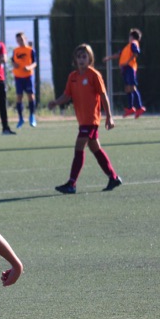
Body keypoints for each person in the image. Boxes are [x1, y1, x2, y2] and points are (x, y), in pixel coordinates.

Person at [48, 43, 122, 195]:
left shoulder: (94, 75)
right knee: (95, 148)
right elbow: (67, 95)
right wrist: (56, 102)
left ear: (90, 59)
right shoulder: (73, 77)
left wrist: (109, 117)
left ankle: (72, 183)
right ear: (75, 59)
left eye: (84, 56)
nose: (81, 59)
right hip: (82, 121)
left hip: (91, 120)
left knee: (79, 146)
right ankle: (113, 177)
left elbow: (103, 95)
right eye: (79, 57)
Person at [103, 28, 145, 118]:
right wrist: (109, 58)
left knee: (132, 87)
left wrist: (127, 62)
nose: (128, 38)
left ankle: (140, 107)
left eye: (129, 36)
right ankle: (130, 108)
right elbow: (119, 54)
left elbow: (136, 53)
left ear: (132, 37)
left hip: (130, 67)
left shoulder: (134, 43)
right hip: (126, 69)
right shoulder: (128, 46)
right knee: (127, 88)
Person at [12, 32, 38, 128]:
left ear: (25, 39)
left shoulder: (30, 50)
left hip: (28, 76)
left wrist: (29, 67)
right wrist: (14, 65)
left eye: (22, 39)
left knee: (30, 96)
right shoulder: (15, 51)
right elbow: (13, 60)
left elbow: (35, 63)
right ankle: (20, 118)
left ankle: (32, 116)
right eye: (18, 40)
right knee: (19, 97)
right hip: (18, 77)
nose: (20, 41)